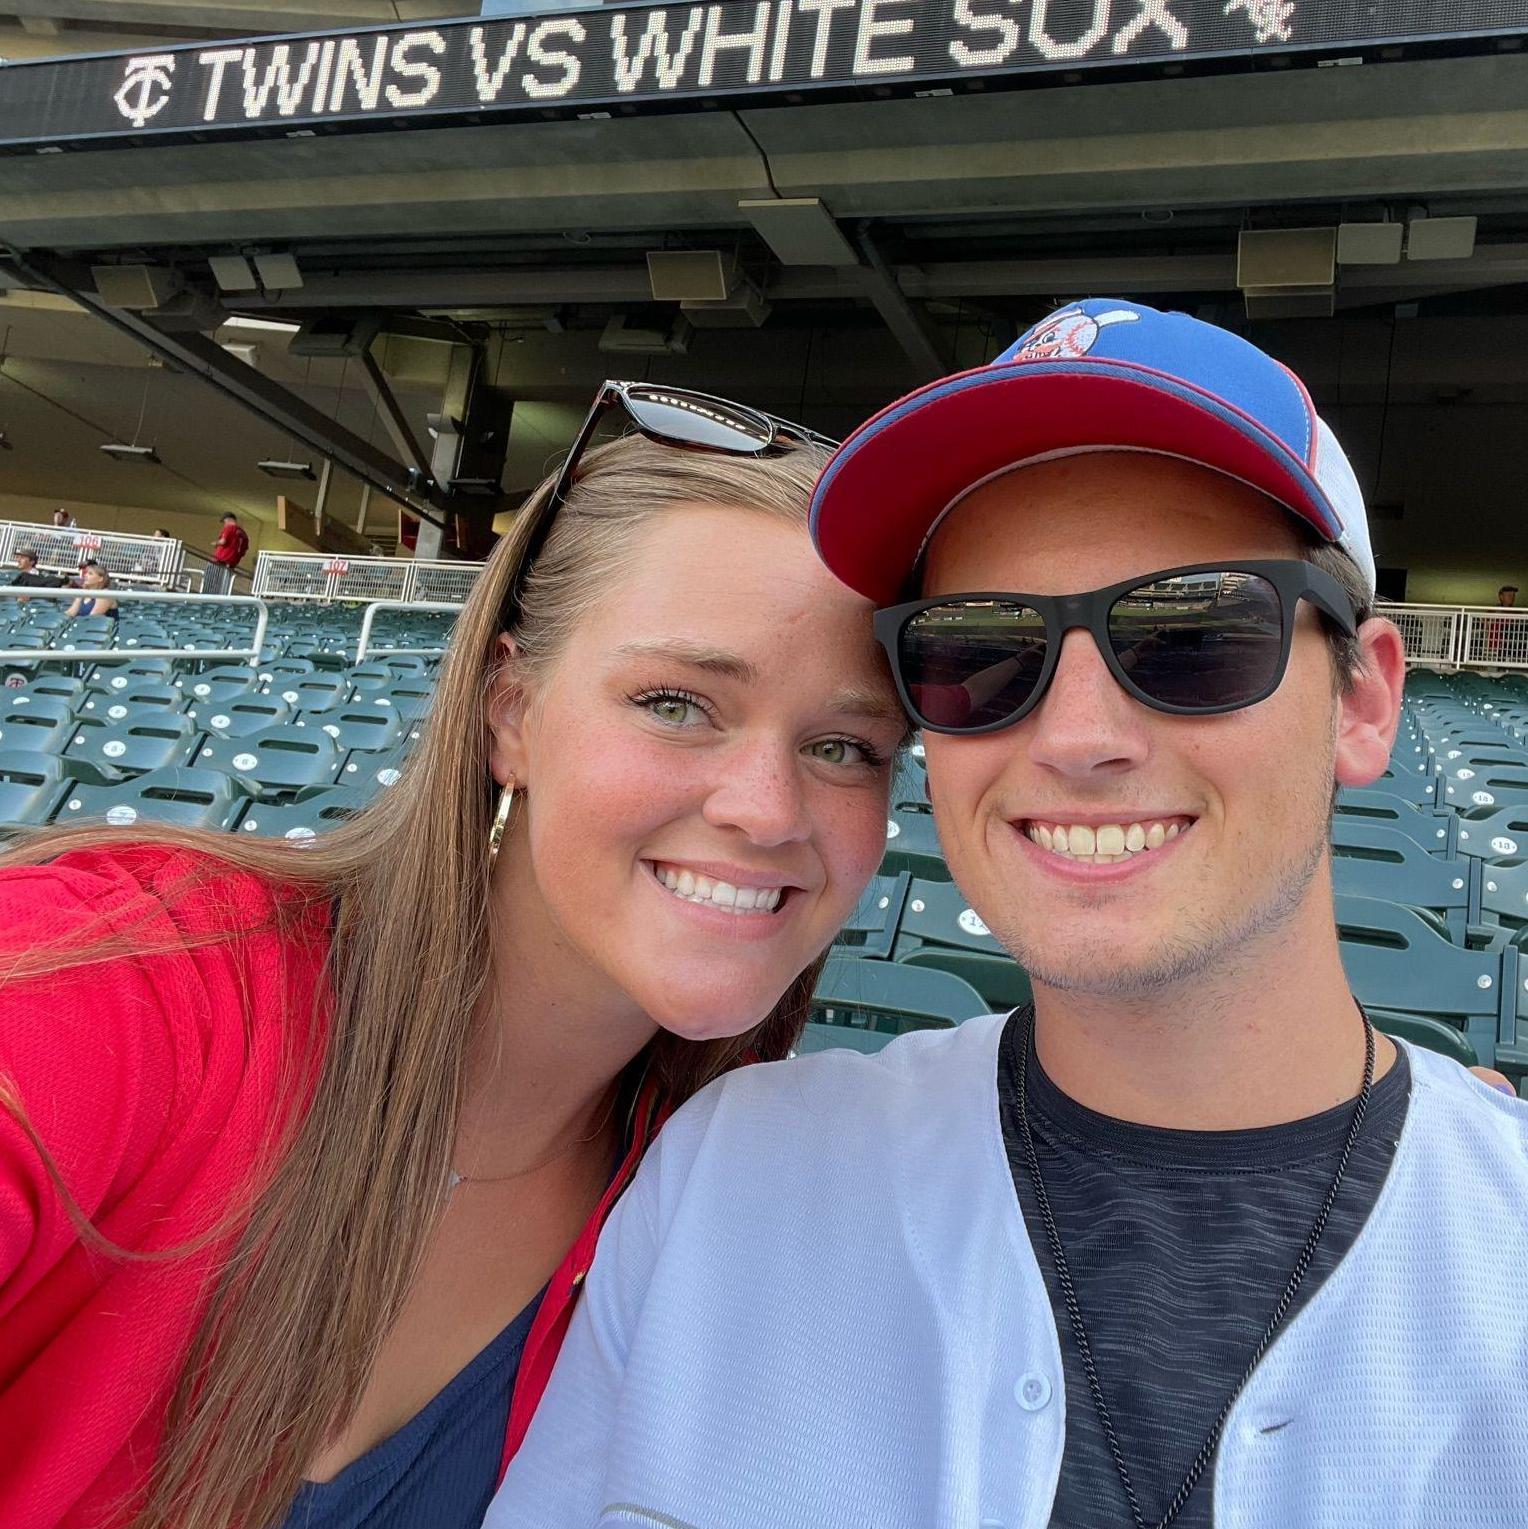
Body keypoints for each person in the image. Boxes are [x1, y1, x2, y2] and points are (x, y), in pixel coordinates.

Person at [489, 302, 1528, 1529]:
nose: (1078, 737)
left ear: (1364, 699)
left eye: (1192, 634)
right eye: (978, 654)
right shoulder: (728, 1172)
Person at [0, 404, 908, 1529]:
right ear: (510, 710)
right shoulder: (128, 976)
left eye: (843, 747)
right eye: (676, 704)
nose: (769, 810)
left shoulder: (709, 1207)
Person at [202, 511, 249, 594]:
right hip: (231, 563)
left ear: (228, 519)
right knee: (223, 585)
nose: (224, 524)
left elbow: (223, 541)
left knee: (209, 580)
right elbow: (244, 550)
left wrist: (216, 543)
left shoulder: (229, 528)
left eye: (224, 522)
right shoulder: (244, 534)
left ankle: (206, 594)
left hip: (220, 560)